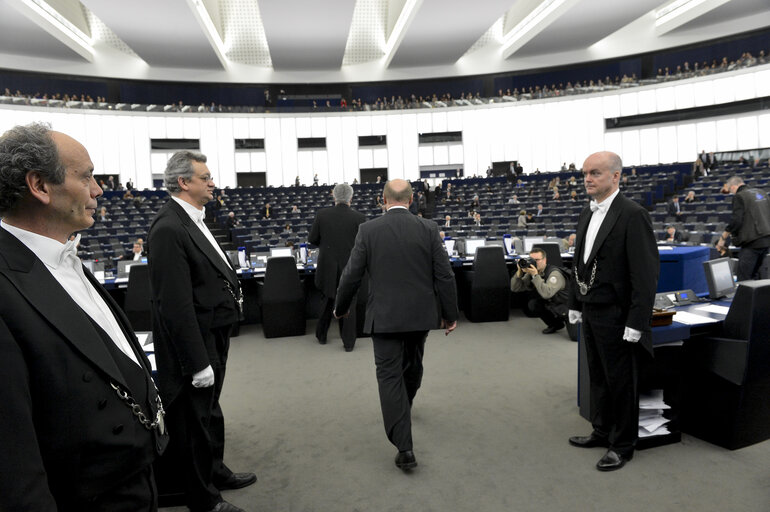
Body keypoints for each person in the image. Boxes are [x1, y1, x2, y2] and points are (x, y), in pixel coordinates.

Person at [0, 123, 167, 510]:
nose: (98, 190)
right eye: (87, 176)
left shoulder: (65, 255)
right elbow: (13, 463)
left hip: (132, 481)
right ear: (39, 185)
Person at [147, 150, 255, 512]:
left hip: (214, 332)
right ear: (184, 182)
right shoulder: (168, 228)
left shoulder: (191, 219)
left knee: (210, 412)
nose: (212, 182)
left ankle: (216, 471)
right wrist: (196, 362)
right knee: (194, 423)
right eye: (205, 177)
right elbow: (174, 304)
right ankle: (204, 500)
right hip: (198, 341)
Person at [333, 179, 458, 470]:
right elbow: (445, 275)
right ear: (412, 200)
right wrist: (450, 314)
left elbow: (351, 275)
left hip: (385, 318)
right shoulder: (428, 228)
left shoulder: (368, 230)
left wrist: (341, 307)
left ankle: (405, 448)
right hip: (420, 317)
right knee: (413, 365)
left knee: (390, 377)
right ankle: (406, 406)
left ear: (383, 200)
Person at [567, 151, 658, 472]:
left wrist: (637, 321)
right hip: (592, 312)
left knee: (622, 382)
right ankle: (602, 431)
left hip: (619, 316)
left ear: (616, 176)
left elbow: (645, 275)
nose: (587, 179)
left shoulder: (633, 214)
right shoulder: (586, 213)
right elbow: (581, 263)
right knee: (599, 377)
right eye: (584, 174)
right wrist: (576, 303)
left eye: (595, 173)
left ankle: (623, 445)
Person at [308, 183, 366, 351]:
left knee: (327, 300)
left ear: (333, 196)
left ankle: (322, 335)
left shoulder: (322, 215)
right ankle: (349, 343)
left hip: (327, 267)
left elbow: (312, 239)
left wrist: (325, 245)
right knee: (349, 303)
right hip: (350, 267)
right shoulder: (359, 218)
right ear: (351, 198)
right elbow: (362, 245)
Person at [716, 176, 770, 281]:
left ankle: (745, 297)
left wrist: (723, 238)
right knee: (755, 275)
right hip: (766, 240)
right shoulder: (762, 193)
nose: (732, 193)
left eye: (731, 190)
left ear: (733, 186)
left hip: (752, 242)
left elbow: (736, 221)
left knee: (744, 278)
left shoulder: (739, 196)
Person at [510, 247, 569, 334]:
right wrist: (519, 273)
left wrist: (535, 275)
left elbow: (546, 294)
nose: (533, 262)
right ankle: (556, 324)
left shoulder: (554, 274)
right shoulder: (533, 272)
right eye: (531, 259)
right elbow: (515, 288)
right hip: (553, 303)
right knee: (534, 304)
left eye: (537, 260)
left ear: (544, 260)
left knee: (575, 337)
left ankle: (570, 321)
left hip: (567, 306)